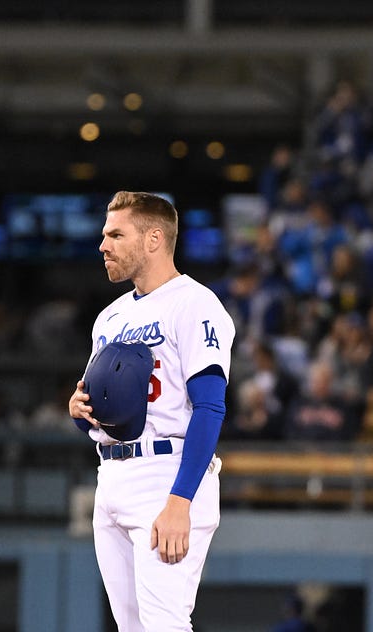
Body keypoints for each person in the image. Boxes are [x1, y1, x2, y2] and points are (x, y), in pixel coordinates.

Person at [69, 191, 236, 632]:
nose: (103, 245)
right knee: (132, 627)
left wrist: (181, 500)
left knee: (164, 624)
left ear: (154, 239)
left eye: (116, 234)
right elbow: (101, 406)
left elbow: (210, 407)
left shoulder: (195, 303)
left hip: (169, 474)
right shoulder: (109, 316)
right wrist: (79, 409)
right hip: (112, 476)